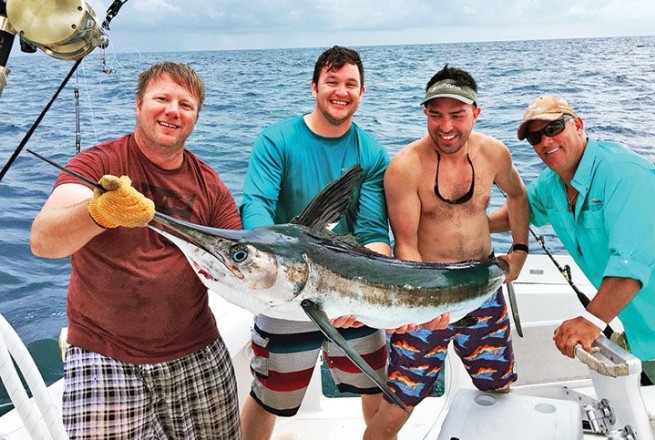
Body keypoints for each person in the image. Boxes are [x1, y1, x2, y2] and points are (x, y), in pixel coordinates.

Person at [29, 62, 242, 438]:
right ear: (139, 104)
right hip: (103, 352)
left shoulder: (210, 184)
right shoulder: (99, 164)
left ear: (195, 117)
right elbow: (43, 241)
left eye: (186, 104)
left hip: (196, 347)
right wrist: (99, 211)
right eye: (162, 99)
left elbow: (239, 267)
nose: (172, 111)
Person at [490, 95, 655, 388]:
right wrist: (460, 224)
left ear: (577, 124)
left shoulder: (623, 172)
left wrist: (591, 321)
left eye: (553, 129)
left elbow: (632, 262)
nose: (545, 142)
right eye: (535, 137)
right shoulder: (549, 187)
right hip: (650, 331)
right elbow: (518, 213)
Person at [362, 65, 530, 440]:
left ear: (476, 112)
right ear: (425, 113)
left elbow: (518, 196)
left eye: (456, 114)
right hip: (428, 286)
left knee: (497, 384)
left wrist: (519, 250)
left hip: (484, 284)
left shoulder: (494, 154)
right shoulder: (406, 166)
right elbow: (405, 243)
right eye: (435, 114)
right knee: (401, 396)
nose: (445, 126)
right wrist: (424, 304)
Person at [238, 45, 391, 439]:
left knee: (375, 382)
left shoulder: (371, 152)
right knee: (269, 395)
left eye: (351, 84)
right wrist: (262, 262)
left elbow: (373, 233)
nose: (341, 91)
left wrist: (363, 297)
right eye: (332, 82)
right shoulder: (276, 141)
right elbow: (256, 210)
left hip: (350, 291)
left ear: (362, 92)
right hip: (285, 290)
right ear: (314, 87)